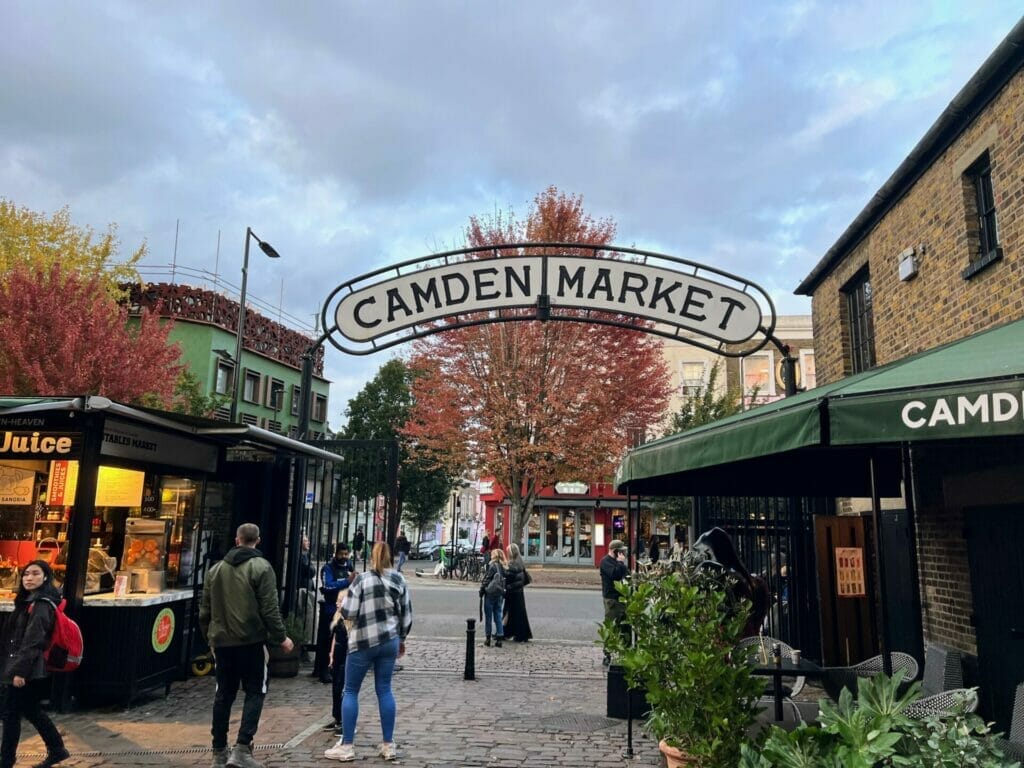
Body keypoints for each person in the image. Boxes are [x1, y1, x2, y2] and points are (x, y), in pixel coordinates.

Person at [199, 523, 292, 768]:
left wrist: (209, 638)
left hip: (222, 642)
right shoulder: (261, 568)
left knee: (223, 694)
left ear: (237, 540)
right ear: (257, 540)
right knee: (255, 691)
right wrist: (281, 637)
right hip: (251, 640)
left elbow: (204, 610)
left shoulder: (215, 570)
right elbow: (270, 608)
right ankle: (242, 748)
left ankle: (218, 752)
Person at [325, 542, 412, 762]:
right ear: (391, 557)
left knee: (351, 690)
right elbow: (406, 616)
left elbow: (349, 611)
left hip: (363, 640)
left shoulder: (362, 580)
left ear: (372, 558)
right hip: (389, 640)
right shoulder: (399, 580)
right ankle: (388, 744)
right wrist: (401, 639)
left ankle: (346, 745)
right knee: (384, 689)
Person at [0, 560, 69, 768]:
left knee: (11, 714)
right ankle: (57, 749)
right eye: (26, 574)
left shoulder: (41, 604)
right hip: (21, 665)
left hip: (26, 668)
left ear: (46, 577)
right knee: (30, 710)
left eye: (35, 574)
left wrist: (19, 672)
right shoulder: (28, 600)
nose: (29, 578)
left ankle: (6, 761)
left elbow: (33, 640)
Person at [691, 527, 770, 638]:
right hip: (751, 642)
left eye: (700, 553)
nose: (698, 558)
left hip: (727, 645)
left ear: (709, 552)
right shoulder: (756, 582)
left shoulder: (722, 581)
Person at [315, 543, 354, 684]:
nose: (344, 557)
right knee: (326, 640)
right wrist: (346, 581)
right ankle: (323, 669)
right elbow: (328, 586)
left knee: (344, 640)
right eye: (341, 554)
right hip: (330, 608)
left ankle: (338, 667)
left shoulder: (349, 567)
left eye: (346, 554)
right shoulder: (328, 568)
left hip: (346, 609)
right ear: (336, 553)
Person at [323, 590, 349, 735]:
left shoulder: (349, 619)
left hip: (346, 655)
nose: (337, 603)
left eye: (340, 601)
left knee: (342, 688)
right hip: (338, 654)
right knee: (335, 688)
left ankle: (343, 720)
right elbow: (335, 638)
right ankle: (336, 717)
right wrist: (331, 654)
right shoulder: (337, 616)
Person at [600, 539, 629, 666]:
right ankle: (608, 653)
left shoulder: (618, 562)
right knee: (612, 627)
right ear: (615, 551)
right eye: (621, 551)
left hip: (621, 597)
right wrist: (621, 563)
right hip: (612, 598)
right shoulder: (606, 562)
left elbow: (625, 574)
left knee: (625, 626)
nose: (623, 554)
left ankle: (625, 652)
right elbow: (615, 574)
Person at [503, 544, 533, 643]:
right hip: (519, 592)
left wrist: (507, 586)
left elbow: (509, 578)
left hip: (512, 592)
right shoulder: (520, 563)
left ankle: (506, 632)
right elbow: (523, 579)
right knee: (518, 613)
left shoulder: (511, 565)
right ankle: (520, 634)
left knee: (508, 613)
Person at [478, 548, 507, 647]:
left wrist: (482, 590)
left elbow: (486, 580)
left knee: (489, 617)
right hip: (499, 594)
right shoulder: (504, 567)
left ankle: (488, 638)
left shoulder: (492, 566)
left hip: (490, 594)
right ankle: (499, 637)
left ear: (494, 556)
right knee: (498, 615)